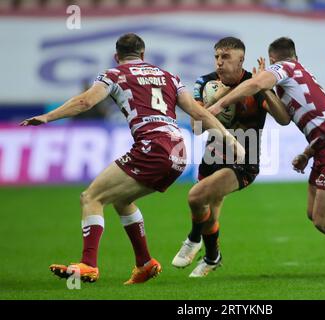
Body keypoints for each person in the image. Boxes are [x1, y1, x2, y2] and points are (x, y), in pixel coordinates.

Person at [20, 33, 244, 284]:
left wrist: (47, 118)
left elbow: (85, 102)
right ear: (143, 55)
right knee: (122, 200)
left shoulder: (113, 74)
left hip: (153, 146)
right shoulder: (168, 76)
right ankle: (145, 263)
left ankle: (88, 265)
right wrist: (231, 140)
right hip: (178, 150)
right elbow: (197, 112)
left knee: (91, 197)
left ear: (117, 56)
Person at [208, 37, 325, 275]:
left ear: (273, 59)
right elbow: (285, 119)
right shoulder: (299, 75)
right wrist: (307, 153)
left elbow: (252, 86)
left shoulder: (283, 67)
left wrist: (219, 104)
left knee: (323, 221)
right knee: (314, 212)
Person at [171, 37, 285, 277]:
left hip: (243, 161)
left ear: (241, 60)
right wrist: (215, 98)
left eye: (226, 57)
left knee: (195, 197)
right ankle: (213, 258)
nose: (219, 62)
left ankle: (192, 240)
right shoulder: (205, 82)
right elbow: (196, 128)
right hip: (211, 158)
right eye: (217, 57)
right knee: (210, 217)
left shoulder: (254, 84)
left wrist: (264, 87)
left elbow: (283, 119)